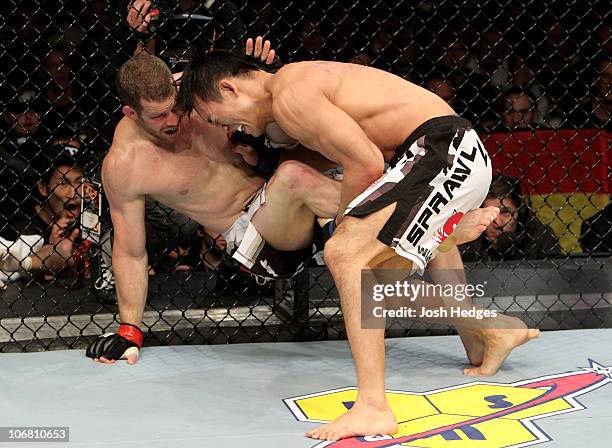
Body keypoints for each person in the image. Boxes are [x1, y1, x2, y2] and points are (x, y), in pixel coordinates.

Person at [177, 52, 540, 441]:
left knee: (344, 252)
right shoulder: (296, 89)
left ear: (228, 88)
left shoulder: (289, 92)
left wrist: (346, 231)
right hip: (437, 155)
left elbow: (365, 163)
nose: (227, 127)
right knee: (376, 285)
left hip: (442, 151)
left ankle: (372, 407)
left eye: (215, 116)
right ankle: (489, 329)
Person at [85, 45, 341, 365]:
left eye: (175, 106)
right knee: (296, 178)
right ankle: (365, 215)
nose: (173, 119)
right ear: (131, 113)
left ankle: (407, 285)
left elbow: (279, 107)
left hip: (292, 192)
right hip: (261, 242)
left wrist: (267, 73)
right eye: (158, 115)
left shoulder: (201, 88)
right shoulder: (126, 165)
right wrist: (129, 330)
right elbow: (131, 251)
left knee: (331, 150)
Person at [460, 174, 562, 261]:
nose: (498, 223)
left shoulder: (541, 237)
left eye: (505, 212)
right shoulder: (466, 241)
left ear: (520, 211)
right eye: (489, 213)